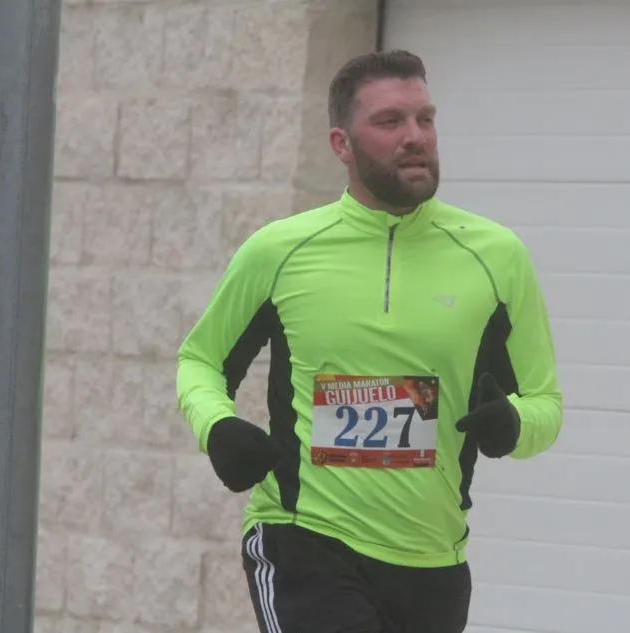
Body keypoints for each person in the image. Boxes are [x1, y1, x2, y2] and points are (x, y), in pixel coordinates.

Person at [175, 49, 563, 633]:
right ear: (342, 144)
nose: (415, 137)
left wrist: (513, 424)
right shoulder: (280, 252)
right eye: (389, 122)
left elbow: (545, 403)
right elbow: (200, 360)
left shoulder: (496, 257)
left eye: (425, 119)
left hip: (433, 561)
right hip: (305, 539)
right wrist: (217, 426)